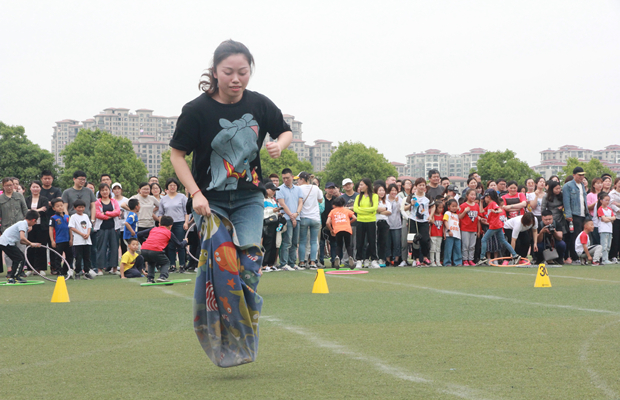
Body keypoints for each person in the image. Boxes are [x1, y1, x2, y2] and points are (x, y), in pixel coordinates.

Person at [169, 37, 292, 286]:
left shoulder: (259, 104)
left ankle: (247, 311)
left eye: (243, 72)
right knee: (221, 266)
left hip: (249, 198)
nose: (236, 79)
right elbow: (177, 155)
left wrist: (279, 145)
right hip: (209, 201)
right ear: (215, 72)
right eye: (228, 72)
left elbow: (285, 131)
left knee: (249, 265)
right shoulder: (196, 110)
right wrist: (196, 194)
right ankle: (214, 309)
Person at [138, 216, 187, 283]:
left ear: (159, 224)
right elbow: (179, 245)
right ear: (170, 226)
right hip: (156, 250)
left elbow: (139, 234)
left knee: (151, 262)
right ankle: (163, 276)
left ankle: (150, 279)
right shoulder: (169, 232)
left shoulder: (153, 229)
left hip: (144, 249)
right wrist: (185, 241)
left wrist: (144, 242)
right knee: (166, 262)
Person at [478, 190, 521, 265]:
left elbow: (500, 210)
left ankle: (482, 257)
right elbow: (481, 211)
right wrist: (481, 202)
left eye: (485, 198)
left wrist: (496, 212)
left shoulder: (493, 203)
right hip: (497, 226)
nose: (484, 199)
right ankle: (515, 255)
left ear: (489, 197)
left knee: (484, 239)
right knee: (503, 241)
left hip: (494, 226)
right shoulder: (489, 205)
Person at [157, 178, 189, 272]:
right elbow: (161, 213)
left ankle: (182, 265)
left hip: (180, 222)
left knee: (180, 243)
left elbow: (186, 211)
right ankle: (172, 265)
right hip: (167, 225)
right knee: (170, 245)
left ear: (177, 186)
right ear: (167, 187)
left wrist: (186, 222)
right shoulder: (163, 199)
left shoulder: (182, 197)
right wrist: (161, 224)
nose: (172, 187)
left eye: (174, 185)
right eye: (170, 185)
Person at [2, 210, 42, 283]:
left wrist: (32, 244)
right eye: (35, 222)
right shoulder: (23, 224)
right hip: (6, 243)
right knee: (19, 258)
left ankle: (15, 276)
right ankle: (13, 277)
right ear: (33, 220)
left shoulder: (23, 224)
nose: (35, 223)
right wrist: (31, 243)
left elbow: (21, 241)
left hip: (8, 243)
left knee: (20, 257)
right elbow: (22, 238)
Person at [276, 168, 303, 270]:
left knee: (295, 242)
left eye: (287, 178)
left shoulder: (298, 189)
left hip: (297, 217)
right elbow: (282, 204)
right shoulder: (280, 189)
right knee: (287, 241)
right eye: (283, 178)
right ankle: (283, 263)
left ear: (292, 177)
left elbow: (300, 202)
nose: (285, 180)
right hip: (286, 218)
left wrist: (296, 214)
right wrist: (292, 216)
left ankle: (292, 262)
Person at [297, 171, 323, 269]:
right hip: (315, 217)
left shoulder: (299, 188)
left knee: (303, 241)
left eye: (299, 179)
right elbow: (320, 200)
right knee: (313, 241)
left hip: (304, 216)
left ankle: (302, 262)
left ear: (302, 179)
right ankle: (312, 262)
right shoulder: (316, 188)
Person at [563, 167, 589, 263]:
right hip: (574, 214)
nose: (582, 177)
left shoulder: (582, 185)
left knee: (582, 235)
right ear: (574, 175)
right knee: (575, 236)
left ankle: (581, 256)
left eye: (583, 175)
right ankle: (574, 257)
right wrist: (568, 214)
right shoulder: (568, 186)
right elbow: (566, 201)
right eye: (579, 175)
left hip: (583, 214)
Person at [94, 183, 121, 275]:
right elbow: (98, 214)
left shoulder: (114, 201)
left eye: (106, 190)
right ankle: (100, 269)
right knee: (101, 248)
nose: (105, 192)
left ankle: (114, 268)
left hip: (114, 228)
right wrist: (110, 215)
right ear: (100, 192)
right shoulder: (97, 202)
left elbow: (117, 212)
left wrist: (105, 213)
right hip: (101, 228)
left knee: (114, 248)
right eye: (102, 190)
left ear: (109, 191)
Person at [405, 178, 432, 266]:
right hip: (414, 220)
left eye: (423, 185)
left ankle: (425, 257)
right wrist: (411, 204)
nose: (421, 187)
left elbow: (433, 206)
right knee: (415, 240)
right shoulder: (411, 196)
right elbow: (405, 208)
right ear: (416, 186)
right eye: (420, 185)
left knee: (425, 239)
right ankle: (416, 259)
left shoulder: (427, 196)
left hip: (424, 220)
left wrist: (430, 215)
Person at [25, 180, 49, 274]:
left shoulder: (44, 199)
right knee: (30, 246)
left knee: (41, 247)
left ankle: (41, 268)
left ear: (40, 188)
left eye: (37, 187)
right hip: (30, 227)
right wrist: (38, 210)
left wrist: (32, 211)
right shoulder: (26, 199)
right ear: (30, 188)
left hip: (42, 226)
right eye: (33, 187)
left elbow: (45, 210)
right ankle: (30, 268)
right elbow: (25, 211)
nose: (35, 189)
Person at [354, 178, 379, 269]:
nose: (360, 187)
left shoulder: (374, 196)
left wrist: (361, 210)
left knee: (372, 241)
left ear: (367, 185)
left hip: (371, 221)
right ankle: (359, 260)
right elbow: (355, 209)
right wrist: (367, 211)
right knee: (359, 242)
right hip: (360, 221)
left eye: (361, 185)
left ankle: (373, 260)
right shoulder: (358, 197)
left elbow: (374, 208)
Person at [326, 196, 357, 269]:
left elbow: (327, 222)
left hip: (337, 229)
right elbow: (355, 218)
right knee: (348, 244)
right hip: (347, 229)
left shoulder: (333, 211)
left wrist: (331, 230)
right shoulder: (346, 210)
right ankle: (350, 257)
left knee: (339, 245)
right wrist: (349, 222)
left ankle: (337, 256)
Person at [49, 198, 74, 278]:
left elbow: (70, 228)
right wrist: (52, 240)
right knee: (58, 257)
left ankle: (65, 270)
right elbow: (51, 229)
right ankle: (59, 272)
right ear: (54, 208)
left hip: (67, 240)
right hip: (59, 240)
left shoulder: (67, 217)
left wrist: (71, 239)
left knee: (70, 256)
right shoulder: (53, 218)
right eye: (57, 206)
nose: (60, 207)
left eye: (61, 205)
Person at [68, 199, 93, 279]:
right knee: (78, 258)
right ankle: (77, 272)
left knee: (87, 258)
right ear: (75, 208)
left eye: (82, 207)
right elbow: (72, 227)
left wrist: (88, 234)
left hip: (87, 241)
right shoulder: (73, 217)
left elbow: (89, 226)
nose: (81, 209)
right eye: (79, 207)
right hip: (78, 241)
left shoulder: (86, 216)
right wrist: (82, 234)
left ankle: (86, 272)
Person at [261, 182, 281, 272]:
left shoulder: (273, 200)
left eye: (275, 190)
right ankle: (264, 264)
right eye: (272, 190)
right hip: (267, 223)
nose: (274, 192)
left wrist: (278, 213)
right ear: (266, 189)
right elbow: (262, 212)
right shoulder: (263, 199)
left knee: (273, 244)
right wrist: (273, 211)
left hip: (274, 222)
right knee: (267, 244)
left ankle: (270, 263)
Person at [340, 178, 359, 265]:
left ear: (352, 184)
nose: (348, 186)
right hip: (345, 224)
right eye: (345, 185)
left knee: (356, 243)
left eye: (349, 184)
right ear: (343, 187)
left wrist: (348, 208)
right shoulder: (341, 198)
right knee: (346, 243)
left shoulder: (358, 196)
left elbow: (359, 208)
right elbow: (339, 209)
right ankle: (345, 260)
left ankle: (355, 259)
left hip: (357, 222)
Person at [320, 182, 340, 267]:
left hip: (333, 224)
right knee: (321, 243)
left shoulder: (336, 200)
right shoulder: (321, 199)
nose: (331, 190)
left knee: (334, 243)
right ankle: (321, 261)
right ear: (325, 189)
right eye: (329, 188)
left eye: (332, 188)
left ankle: (333, 261)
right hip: (322, 223)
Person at [459, 188, 480, 266]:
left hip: (473, 229)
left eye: (474, 195)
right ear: (467, 196)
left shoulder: (477, 205)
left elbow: (477, 218)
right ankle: (465, 259)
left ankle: (471, 259)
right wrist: (465, 211)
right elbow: (460, 217)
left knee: (472, 246)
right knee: (465, 245)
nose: (473, 196)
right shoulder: (463, 205)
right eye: (471, 195)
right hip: (465, 228)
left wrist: (478, 230)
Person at [385, 183, 402, 266]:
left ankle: (396, 259)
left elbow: (400, 210)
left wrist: (397, 201)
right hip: (387, 223)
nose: (394, 192)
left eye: (395, 190)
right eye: (392, 190)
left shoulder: (399, 199)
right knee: (387, 243)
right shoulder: (385, 198)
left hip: (396, 224)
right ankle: (387, 259)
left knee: (397, 243)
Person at [597, 192, 616, 265]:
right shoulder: (600, 209)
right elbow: (603, 219)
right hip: (603, 229)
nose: (607, 202)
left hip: (609, 229)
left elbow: (614, 217)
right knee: (604, 245)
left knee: (608, 245)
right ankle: (604, 259)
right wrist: (609, 219)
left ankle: (606, 258)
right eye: (606, 200)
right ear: (601, 201)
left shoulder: (609, 209)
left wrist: (608, 218)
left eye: (608, 200)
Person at [374, 182, 390, 266]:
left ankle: (381, 259)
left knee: (383, 242)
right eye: (380, 190)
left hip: (384, 223)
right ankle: (374, 258)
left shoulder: (387, 202)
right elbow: (374, 210)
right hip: (375, 222)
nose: (382, 192)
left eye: (383, 190)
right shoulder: (373, 202)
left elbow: (389, 212)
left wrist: (379, 211)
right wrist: (383, 210)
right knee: (374, 241)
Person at [398, 179, 413, 266]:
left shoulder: (417, 198)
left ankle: (415, 259)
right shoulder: (403, 197)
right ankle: (404, 259)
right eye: (407, 183)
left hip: (415, 220)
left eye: (410, 183)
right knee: (404, 240)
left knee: (415, 240)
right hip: (405, 219)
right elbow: (402, 209)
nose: (409, 185)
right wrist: (408, 219)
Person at [443, 199, 462, 266]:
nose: (454, 208)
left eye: (455, 206)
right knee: (448, 249)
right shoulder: (447, 213)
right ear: (449, 206)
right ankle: (447, 262)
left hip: (457, 234)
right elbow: (445, 221)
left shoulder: (457, 215)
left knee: (457, 249)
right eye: (453, 206)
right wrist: (448, 230)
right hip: (450, 234)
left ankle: (458, 262)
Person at [111, 182, 129, 255]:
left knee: (124, 245)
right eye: (115, 189)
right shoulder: (111, 201)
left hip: (125, 226)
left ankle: (124, 260)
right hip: (114, 226)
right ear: (112, 191)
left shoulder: (126, 200)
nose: (117, 190)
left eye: (118, 188)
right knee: (114, 245)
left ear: (121, 190)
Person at [587, 177, 604, 245]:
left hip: (602, 218)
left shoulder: (604, 194)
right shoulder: (590, 195)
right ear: (593, 185)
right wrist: (596, 203)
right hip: (593, 217)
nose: (600, 185)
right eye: (598, 183)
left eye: (601, 183)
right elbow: (588, 207)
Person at [430, 199, 444, 266]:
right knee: (433, 248)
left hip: (439, 234)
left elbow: (443, 226)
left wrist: (443, 233)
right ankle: (432, 261)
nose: (441, 209)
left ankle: (438, 261)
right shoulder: (432, 216)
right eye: (439, 208)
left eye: (442, 208)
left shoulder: (442, 216)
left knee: (438, 248)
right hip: (433, 234)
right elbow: (431, 224)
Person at [608, 178, 620, 263]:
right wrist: (618, 208)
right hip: (616, 218)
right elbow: (611, 205)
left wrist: (618, 204)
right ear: (615, 184)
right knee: (616, 237)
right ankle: (613, 255)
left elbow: (616, 204)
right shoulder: (612, 194)